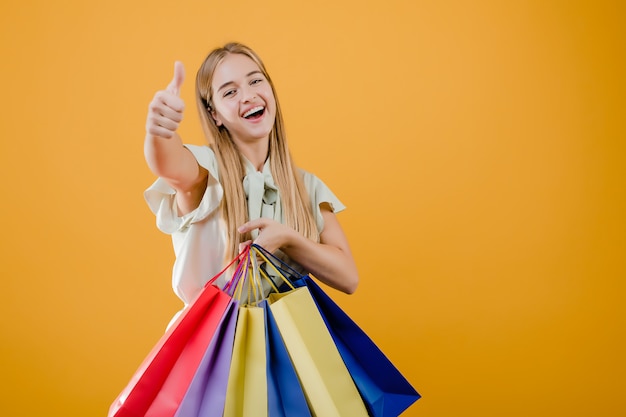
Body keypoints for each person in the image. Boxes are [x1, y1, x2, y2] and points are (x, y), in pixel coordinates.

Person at [144, 42, 358, 308]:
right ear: (215, 114)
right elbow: (171, 166)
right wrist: (159, 130)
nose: (248, 96)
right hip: (215, 344)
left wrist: (289, 240)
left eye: (255, 81)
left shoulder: (306, 186)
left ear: (270, 90)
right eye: (230, 92)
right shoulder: (207, 171)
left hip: (283, 344)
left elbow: (348, 278)